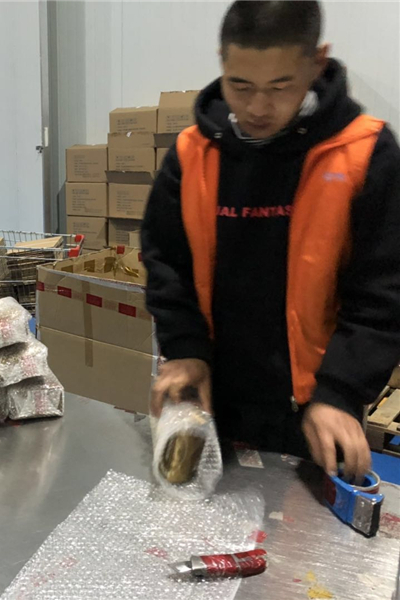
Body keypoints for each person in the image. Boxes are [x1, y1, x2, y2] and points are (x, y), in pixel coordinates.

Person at [142, 1, 400, 481]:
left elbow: (382, 292)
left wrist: (341, 391)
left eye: (280, 87)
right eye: (240, 85)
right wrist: (185, 349)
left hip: (315, 411)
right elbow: (166, 263)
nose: (258, 108)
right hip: (210, 397)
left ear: (317, 62)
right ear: (222, 62)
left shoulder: (365, 154)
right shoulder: (192, 155)